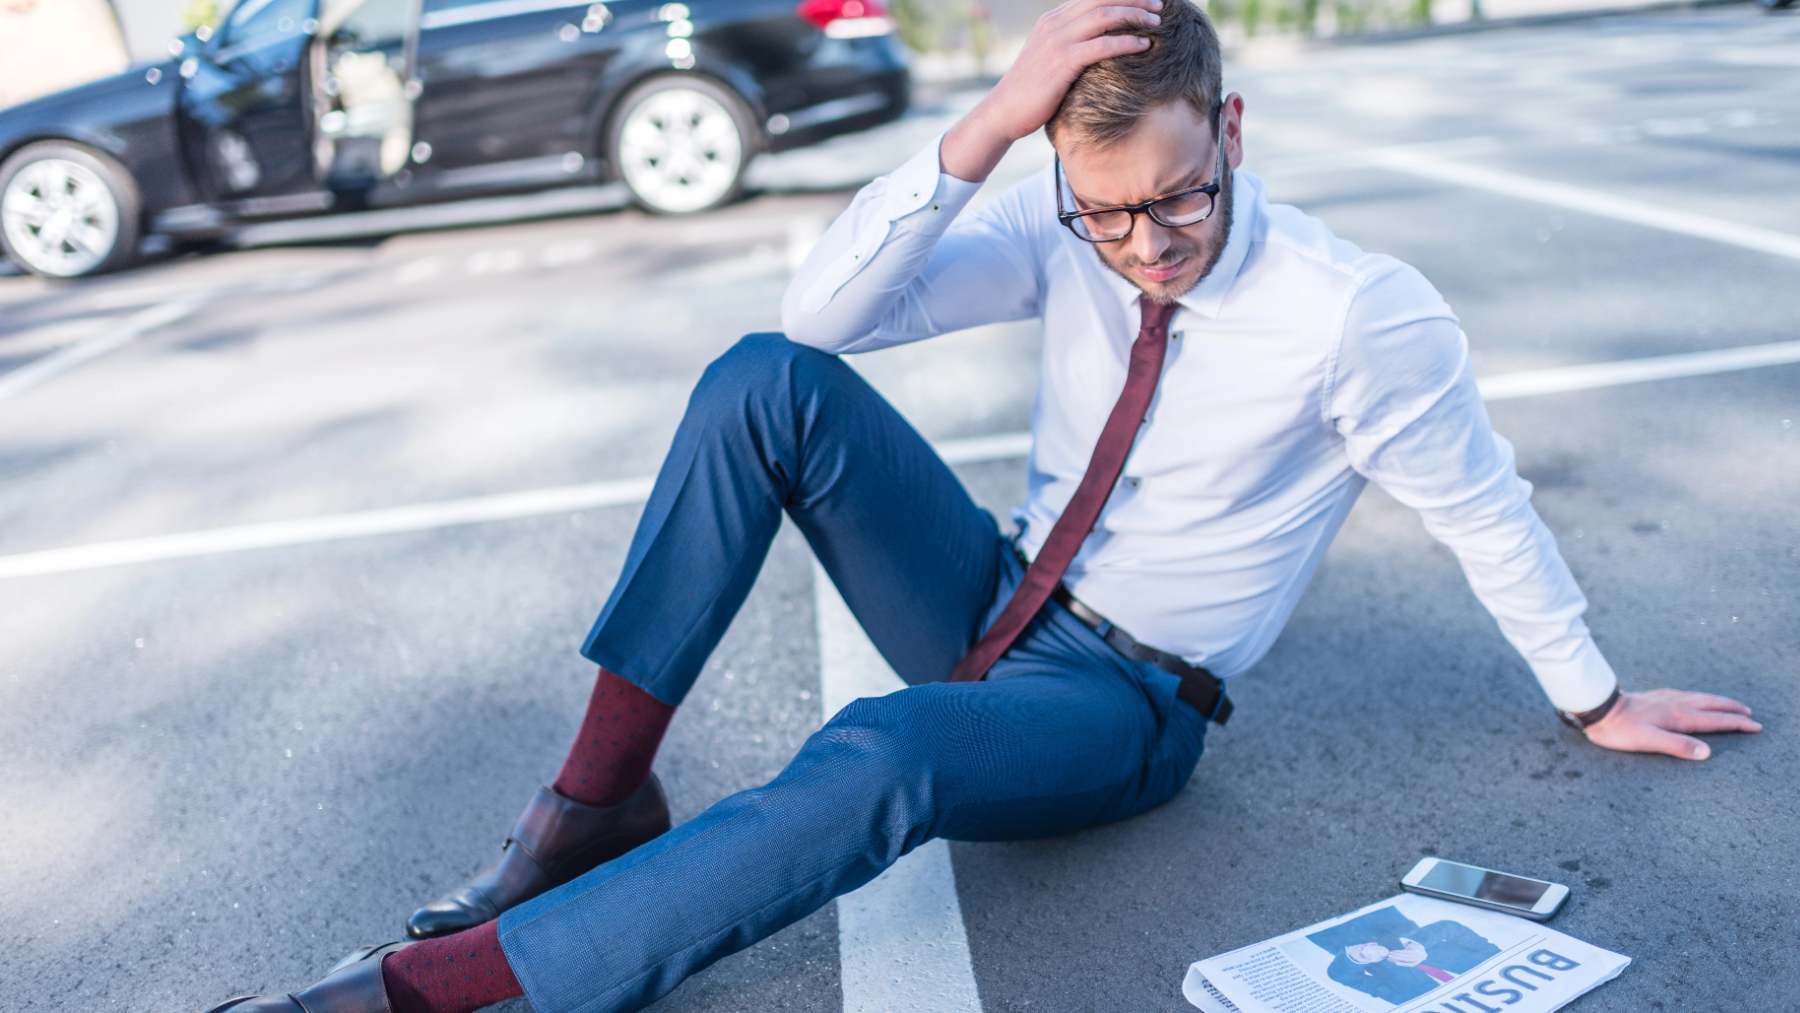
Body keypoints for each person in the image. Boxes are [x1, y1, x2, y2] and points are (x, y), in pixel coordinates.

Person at [204, 1, 1763, 1010]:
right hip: (991, 593)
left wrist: (1598, 692)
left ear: (1233, 129)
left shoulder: (1363, 314)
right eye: (1103, 214)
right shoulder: (1061, 213)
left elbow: (1484, 508)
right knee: (764, 379)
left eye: (1177, 199)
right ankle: (589, 807)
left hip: (1127, 703)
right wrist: (986, 131)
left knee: (888, 746)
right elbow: (826, 320)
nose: (1145, 244)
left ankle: (438, 992)